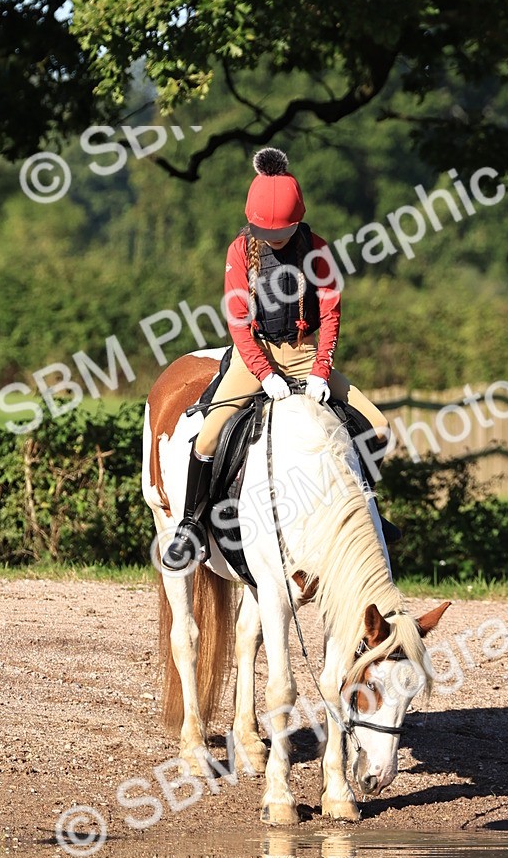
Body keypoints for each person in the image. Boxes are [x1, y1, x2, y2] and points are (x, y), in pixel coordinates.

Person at [162, 147, 398, 571]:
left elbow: (330, 310)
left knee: (379, 428)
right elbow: (237, 321)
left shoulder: (317, 248)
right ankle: (192, 525)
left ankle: (369, 513)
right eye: (266, 232)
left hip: (306, 353)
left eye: (283, 231)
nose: (274, 239)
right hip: (256, 355)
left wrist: (322, 370)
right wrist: (264, 373)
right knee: (208, 436)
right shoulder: (239, 251)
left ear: (298, 218)